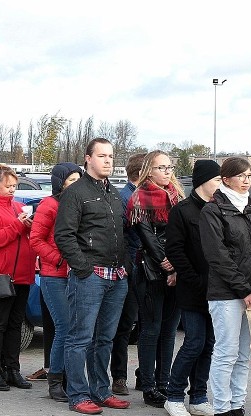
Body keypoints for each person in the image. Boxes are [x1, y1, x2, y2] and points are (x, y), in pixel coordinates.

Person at [54, 138, 131, 414]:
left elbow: (123, 233)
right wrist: (83, 269)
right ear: (88, 158)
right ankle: (77, 394)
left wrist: (125, 268)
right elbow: (63, 235)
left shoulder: (114, 194)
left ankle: (101, 391)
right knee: (79, 338)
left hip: (117, 276)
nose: (108, 160)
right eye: (102, 156)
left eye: (111, 155)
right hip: (90, 277)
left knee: (105, 339)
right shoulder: (75, 193)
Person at [199, 156, 251, 416]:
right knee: (226, 353)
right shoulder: (213, 210)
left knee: (243, 355)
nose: (247, 181)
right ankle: (222, 408)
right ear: (226, 179)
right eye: (241, 176)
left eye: (250, 176)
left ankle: (238, 404)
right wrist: (244, 290)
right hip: (226, 294)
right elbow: (217, 256)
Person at [163, 160, 221, 416]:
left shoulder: (219, 209)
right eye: (217, 179)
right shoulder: (183, 210)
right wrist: (194, 279)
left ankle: (198, 396)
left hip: (218, 290)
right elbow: (174, 249)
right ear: (203, 181)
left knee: (209, 344)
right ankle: (173, 395)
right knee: (194, 342)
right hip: (193, 289)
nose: (221, 184)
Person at [127, 150, 184, 408]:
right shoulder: (141, 197)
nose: (167, 171)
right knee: (151, 329)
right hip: (151, 270)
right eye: (162, 167)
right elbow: (147, 237)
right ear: (149, 170)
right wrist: (168, 266)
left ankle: (164, 384)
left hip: (178, 269)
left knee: (170, 331)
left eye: (170, 167)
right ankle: (148, 386)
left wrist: (178, 266)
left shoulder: (176, 195)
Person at [0, 165, 35, 392]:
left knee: (16, 324)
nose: (12, 189)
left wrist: (30, 227)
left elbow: (27, 237)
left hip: (22, 273)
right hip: (0, 274)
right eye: (7, 186)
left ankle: (12, 369)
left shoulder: (20, 206)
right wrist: (18, 225)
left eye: (14, 186)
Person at [29, 162, 82, 402]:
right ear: (60, 182)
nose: (75, 185)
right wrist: (60, 259)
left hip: (78, 274)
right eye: (71, 180)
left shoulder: (80, 204)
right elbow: (36, 240)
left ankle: (73, 378)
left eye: (78, 180)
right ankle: (56, 379)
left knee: (76, 329)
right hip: (54, 275)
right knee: (64, 327)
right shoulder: (49, 205)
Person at [111, 152, 145, 396]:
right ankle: (119, 377)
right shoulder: (125, 198)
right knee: (125, 326)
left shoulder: (149, 196)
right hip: (132, 268)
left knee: (148, 327)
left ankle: (145, 375)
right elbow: (127, 238)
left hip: (147, 269)